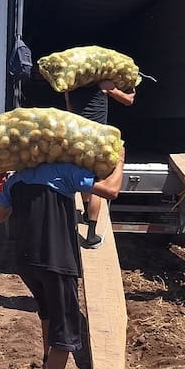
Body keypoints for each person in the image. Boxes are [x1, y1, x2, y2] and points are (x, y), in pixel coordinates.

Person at [0, 154, 125, 369]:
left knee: (47, 312)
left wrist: (7, 196)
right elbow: (111, 190)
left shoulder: (16, 179)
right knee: (65, 329)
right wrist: (119, 163)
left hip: (27, 263)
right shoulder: (65, 171)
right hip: (57, 261)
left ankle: (45, 363)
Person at [67, 79, 135, 248]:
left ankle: (84, 211)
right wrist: (131, 90)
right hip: (98, 139)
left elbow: (69, 110)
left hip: (78, 138)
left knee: (85, 178)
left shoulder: (70, 86)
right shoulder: (103, 84)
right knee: (96, 184)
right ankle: (91, 234)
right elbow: (128, 101)